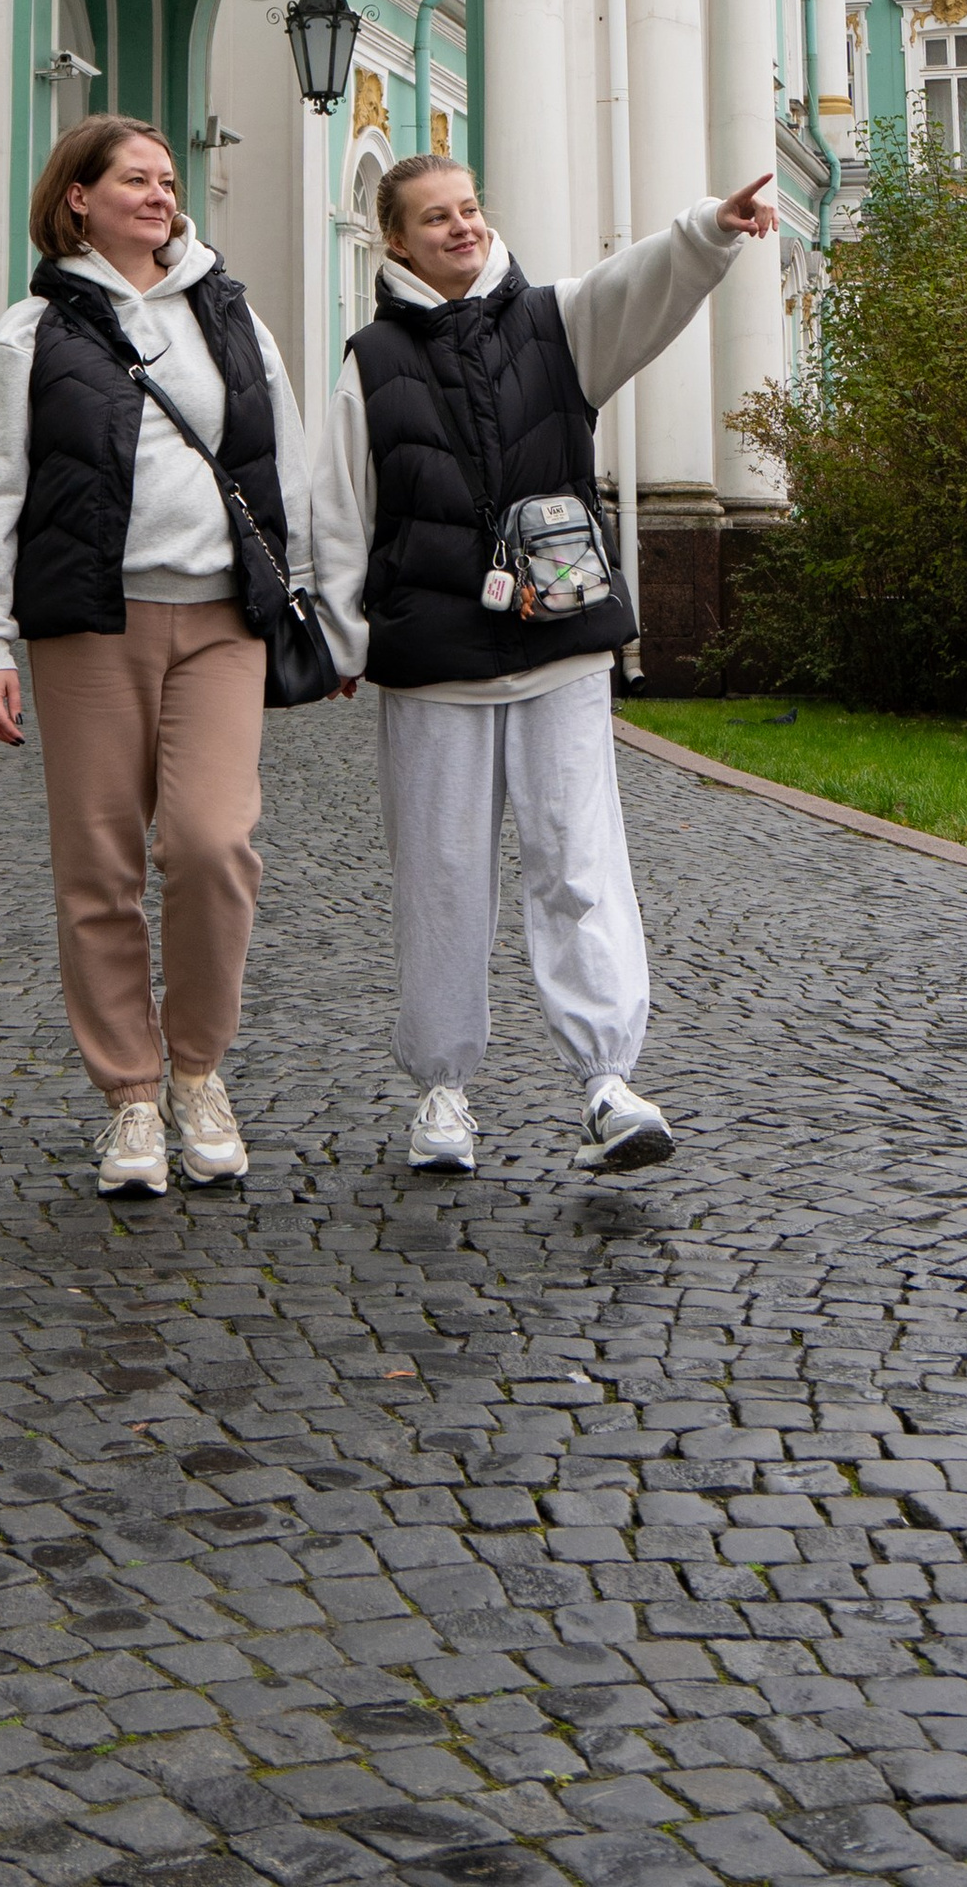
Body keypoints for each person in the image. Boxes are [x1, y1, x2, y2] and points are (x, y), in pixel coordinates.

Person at [313, 152, 775, 1179]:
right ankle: (441, 1091)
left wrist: (708, 228)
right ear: (394, 241)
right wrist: (343, 635)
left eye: (470, 208)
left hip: (556, 646)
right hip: (433, 661)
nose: (461, 228)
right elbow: (339, 507)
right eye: (434, 218)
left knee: (576, 859)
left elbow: (642, 285)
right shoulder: (369, 361)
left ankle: (608, 1085)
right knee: (440, 874)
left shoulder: (558, 322)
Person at [0, 114, 317, 1200]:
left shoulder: (228, 311)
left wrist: (308, 598)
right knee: (98, 868)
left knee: (213, 846)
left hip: (220, 620)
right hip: (89, 625)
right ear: (78, 195)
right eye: (135, 181)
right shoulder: (30, 333)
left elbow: (282, 457)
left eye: (168, 180)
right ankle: (129, 1094)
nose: (161, 196)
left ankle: (198, 1071)